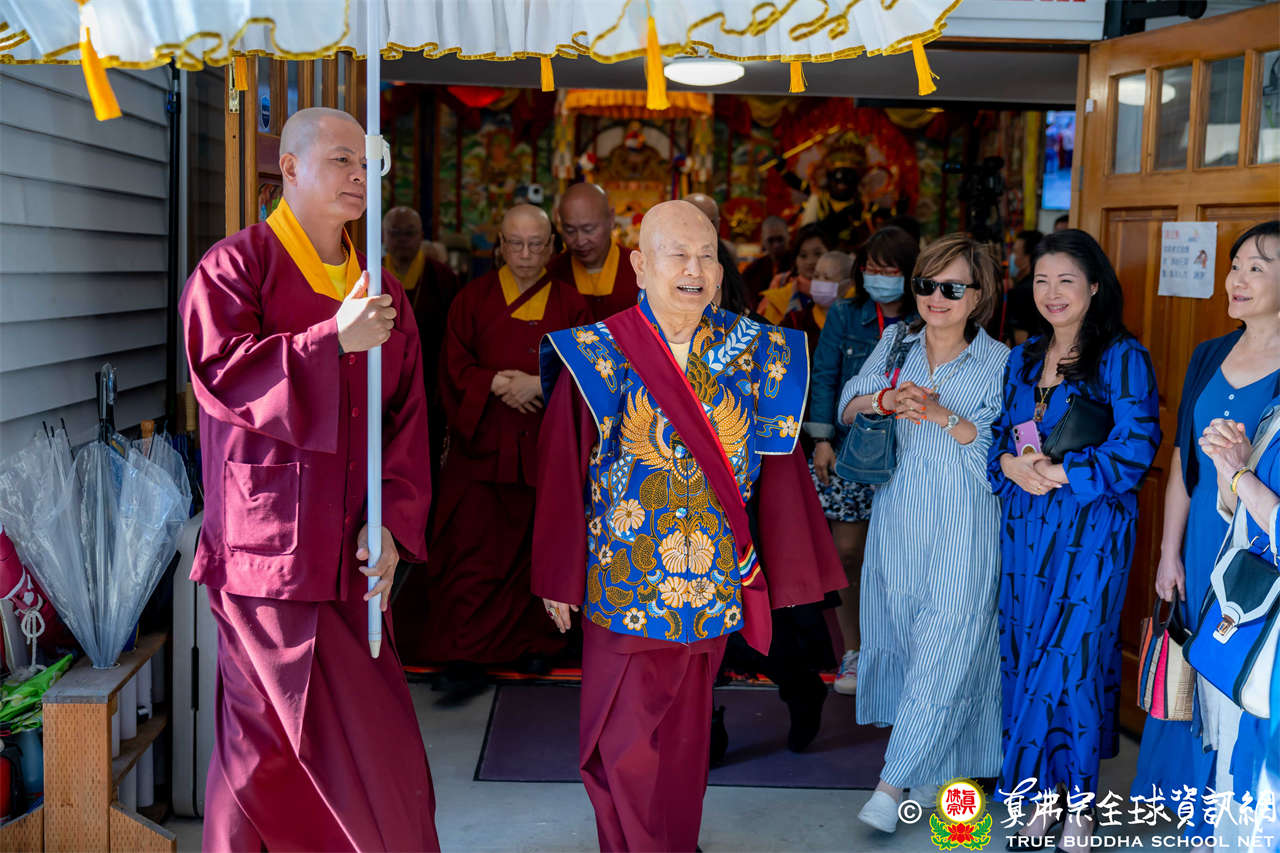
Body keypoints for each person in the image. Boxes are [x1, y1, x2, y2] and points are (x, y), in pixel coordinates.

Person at [533, 200, 843, 851]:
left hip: (710, 581)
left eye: (706, 256)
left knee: (685, 738)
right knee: (620, 742)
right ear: (640, 265)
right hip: (622, 582)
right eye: (678, 254)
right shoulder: (597, 353)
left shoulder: (756, 352)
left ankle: (675, 842)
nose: (695, 269)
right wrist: (558, 575)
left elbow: (782, 474)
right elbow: (563, 464)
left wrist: (790, 573)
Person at [179, 107, 439, 851]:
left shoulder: (380, 286)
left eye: (366, 163)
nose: (359, 176)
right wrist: (333, 340)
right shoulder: (235, 267)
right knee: (262, 748)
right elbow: (220, 375)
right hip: (268, 549)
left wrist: (392, 522)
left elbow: (408, 417)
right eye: (340, 160)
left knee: (378, 749)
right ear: (289, 169)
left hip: (354, 546)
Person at [988, 229, 1161, 851]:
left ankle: (1080, 807)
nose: (1052, 292)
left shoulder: (1122, 356)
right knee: (1026, 656)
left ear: (1093, 286)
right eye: (1042, 280)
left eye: (1066, 280)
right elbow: (999, 439)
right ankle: (1039, 802)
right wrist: (1011, 465)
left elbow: (1136, 446)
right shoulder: (1023, 357)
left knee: (1074, 662)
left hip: (1090, 532)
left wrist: (1059, 472)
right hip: (1025, 531)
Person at [837, 234, 1010, 834]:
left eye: (952, 287)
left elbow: (1001, 456)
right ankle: (940, 777)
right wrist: (885, 398)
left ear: (978, 296)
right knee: (918, 651)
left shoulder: (1002, 363)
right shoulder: (896, 342)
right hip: (898, 523)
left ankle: (889, 786)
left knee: (948, 646)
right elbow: (847, 406)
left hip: (967, 528)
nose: (937, 297)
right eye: (927, 284)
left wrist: (942, 415)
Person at [394, 204, 592, 704]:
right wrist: (495, 383)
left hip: (544, 451)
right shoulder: (472, 299)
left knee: (537, 549)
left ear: (552, 248)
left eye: (536, 244)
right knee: (471, 550)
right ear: (499, 246)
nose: (525, 253)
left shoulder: (571, 305)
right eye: (515, 243)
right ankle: (465, 650)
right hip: (481, 449)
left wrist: (540, 384)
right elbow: (452, 366)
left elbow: (591, 371)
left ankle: (536, 643)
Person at [1133, 221, 1280, 836]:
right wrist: (1168, 552)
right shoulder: (1210, 354)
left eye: (1256, 269)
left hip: (1258, 552)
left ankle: (1226, 823)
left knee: (1239, 673)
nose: (1236, 279)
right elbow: (1183, 466)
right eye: (1235, 265)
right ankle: (1196, 812)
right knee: (1195, 666)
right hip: (1199, 543)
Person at [808, 225, 918, 696]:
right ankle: (853, 650)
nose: (878, 277)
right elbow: (825, 374)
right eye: (871, 268)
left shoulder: (926, 316)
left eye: (888, 269)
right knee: (848, 553)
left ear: (909, 273)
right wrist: (821, 439)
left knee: (899, 559)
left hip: (909, 451)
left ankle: (899, 654)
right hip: (849, 447)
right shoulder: (846, 314)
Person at [1199, 399, 1280, 850]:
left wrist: (1239, 473)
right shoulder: (1276, 409)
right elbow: (1241, 514)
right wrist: (1227, 466)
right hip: (1253, 618)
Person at [382, 206, 460, 489]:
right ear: (383, 236)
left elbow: (453, 339)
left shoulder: (443, 278)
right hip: (382, 382)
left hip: (429, 381)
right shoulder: (371, 274)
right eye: (395, 233)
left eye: (410, 233)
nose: (402, 240)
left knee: (426, 454)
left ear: (422, 236)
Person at [548, 182, 640, 321]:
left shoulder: (639, 269)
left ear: (611, 219)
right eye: (570, 230)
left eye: (588, 229)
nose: (580, 241)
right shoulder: (552, 273)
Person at [685, 192, 751, 315]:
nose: (704, 230)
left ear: (718, 224)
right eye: (694, 223)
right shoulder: (667, 253)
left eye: (710, 223)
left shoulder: (727, 252)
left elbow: (736, 299)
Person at [756, 224, 830, 325]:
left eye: (818, 254)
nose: (811, 261)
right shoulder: (778, 300)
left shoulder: (845, 292)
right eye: (803, 255)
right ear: (795, 260)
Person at [1003, 229, 1043, 345]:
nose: (1011, 257)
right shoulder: (1039, 285)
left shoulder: (1022, 292)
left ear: (1028, 257)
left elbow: (1020, 338)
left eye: (1015, 252)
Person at [742, 216, 792, 305]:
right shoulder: (753, 270)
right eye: (770, 240)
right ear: (762, 240)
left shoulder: (797, 264)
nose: (776, 245)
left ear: (789, 236)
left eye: (780, 239)